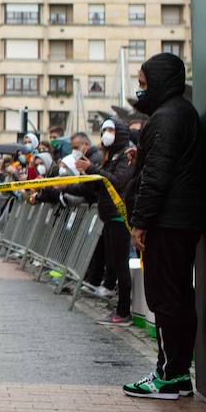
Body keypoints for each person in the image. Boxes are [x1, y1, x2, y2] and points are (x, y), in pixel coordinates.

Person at [122, 53, 205, 400]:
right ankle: (175, 373)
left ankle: (169, 375)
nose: (140, 92)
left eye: (143, 85)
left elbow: (157, 177)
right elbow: (160, 164)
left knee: (166, 298)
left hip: (167, 224)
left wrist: (140, 223)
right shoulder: (179, 114)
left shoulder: (167, 117)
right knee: (178, 297)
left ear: (159, 82)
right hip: (180, 221)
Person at [69, 119, 137, 326]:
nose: (107, 133)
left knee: (120, 264)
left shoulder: (127, 157)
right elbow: (99, 187)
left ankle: (124, 311)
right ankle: (119, 307)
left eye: (111, 130)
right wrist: (84, 175)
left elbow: (116, 182)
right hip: (108, 216)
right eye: (105, 130)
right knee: (113, 263)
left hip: (119, 216)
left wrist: (92, 169)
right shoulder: (111, 157)